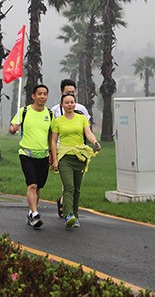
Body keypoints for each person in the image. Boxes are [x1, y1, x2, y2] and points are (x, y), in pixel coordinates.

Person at [50, 92, 101, 229]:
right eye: (66, 102)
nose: (69, 105)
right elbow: (54, 141)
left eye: (72, 102)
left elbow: (88, 133)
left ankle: (75, 215)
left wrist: (95, 142)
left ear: (75, 103)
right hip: (64, 157)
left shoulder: (81, 118)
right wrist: (54, 159)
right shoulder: (58, 121)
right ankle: (68, 215)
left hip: (79, 156)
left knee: (77, 189)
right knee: (69, 187)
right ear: (62, 105)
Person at [9, 84, 55, 229]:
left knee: (38, 187)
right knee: (32, 185)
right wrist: (14, 128)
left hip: (43, 155)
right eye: (39, 94)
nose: (42, 96)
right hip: (26, 154)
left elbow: (51, 137)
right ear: (33, 96)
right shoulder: (24, 111)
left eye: (45, 94)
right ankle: (35, 214)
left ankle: (31, 213)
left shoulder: (49, 114)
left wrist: (54, 156)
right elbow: (11, 128)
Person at [51, 78, 91, 219]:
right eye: (67, 92)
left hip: (78, 152)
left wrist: (92, 144)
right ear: (62, 93)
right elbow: (52, 136)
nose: (70, 95)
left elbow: (88, 130)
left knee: (74, 186)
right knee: (68, 184)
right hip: (61, 152)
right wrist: (52, 155)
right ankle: (68, 211)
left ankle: (65, 204)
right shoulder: (55, 111)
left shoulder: (81, 110)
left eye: (73, 92)